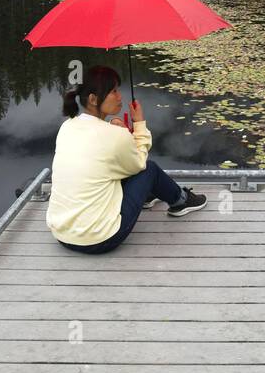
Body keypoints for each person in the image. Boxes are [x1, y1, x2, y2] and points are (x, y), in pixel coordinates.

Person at [47, 65, 206, 254]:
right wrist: (138, 124)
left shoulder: (68, 127)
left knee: (113, 166)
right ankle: (181, 201)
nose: (120, 96)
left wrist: (118, 132)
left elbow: (98, 151)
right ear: (93, 99)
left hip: (62, 234)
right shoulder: (114, 136)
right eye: (113, 91)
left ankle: (147, 196)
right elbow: (139, 163)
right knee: (149, 169)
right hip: (99, 240)